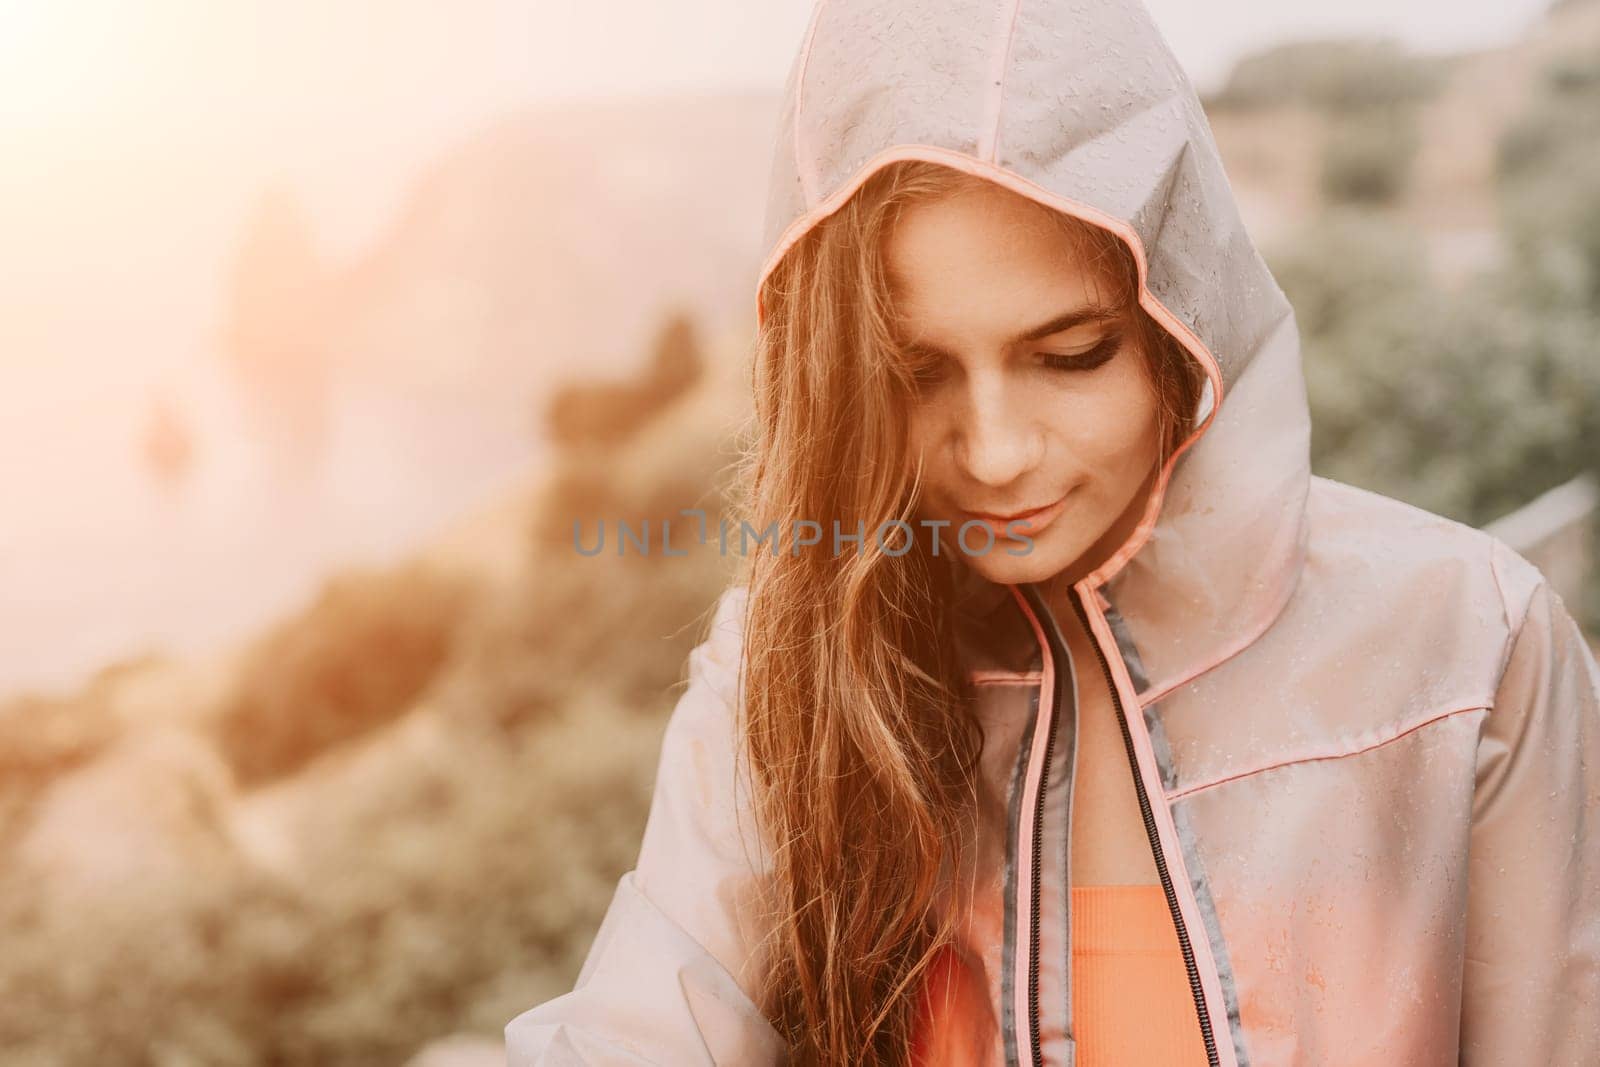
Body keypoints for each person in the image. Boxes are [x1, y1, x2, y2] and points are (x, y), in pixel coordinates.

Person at [505, 0, 1600, 1063]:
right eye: (912, 372)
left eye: (1070, 353)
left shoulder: (1470, 643)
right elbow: (640, 1027)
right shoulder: (783, 668)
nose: (991, 452)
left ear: (1179, 319)